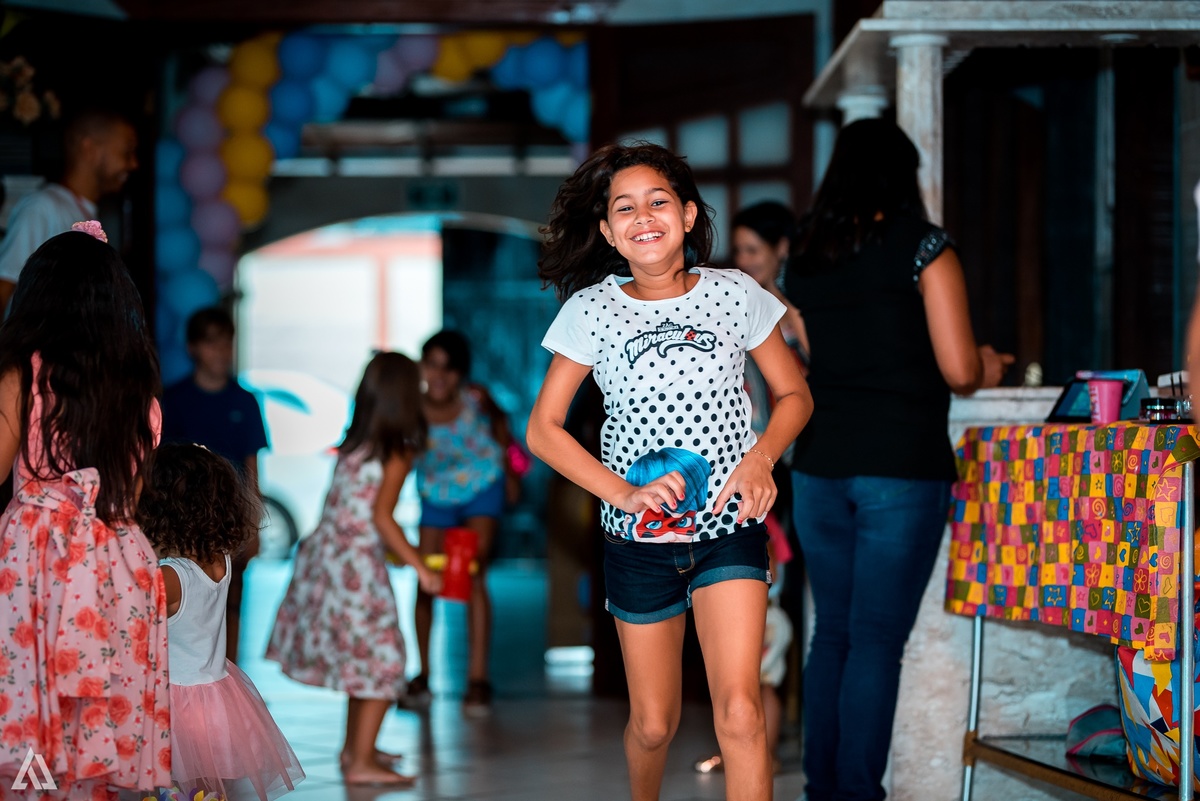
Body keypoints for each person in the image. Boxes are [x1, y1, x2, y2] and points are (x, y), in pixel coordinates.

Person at [526, 142, 813, 801]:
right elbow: (542, 430)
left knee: (740, 710)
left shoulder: (737, 294)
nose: (643, 216)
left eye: (658, 201)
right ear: (607, 231)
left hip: (728, 527)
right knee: (654, 724)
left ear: (687, 215)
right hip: (638, 540)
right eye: (624, 207)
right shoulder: (591, 311)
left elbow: (795, 395)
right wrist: (623, 491)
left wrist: (761, 456)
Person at [780, 118, 1014, 801]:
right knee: (877, 640)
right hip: (901, 465)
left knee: (833, 637)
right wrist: (994, 363)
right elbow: (960, 367)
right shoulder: (925, 248)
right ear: (904, 176)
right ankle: (856, 794)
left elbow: (815, 356)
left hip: (819, 464)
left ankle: (822, 790)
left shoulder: (806, 250)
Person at [0, 225, 170, 800]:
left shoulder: (19, 376)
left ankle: (35, 788)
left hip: (37, 560)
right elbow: (132, 495)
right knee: (95, 719)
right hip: (118, 563)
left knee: (35, 709)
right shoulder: (138, 391)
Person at [266, 351, 442, 788]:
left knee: (358, 658)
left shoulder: (355, 442)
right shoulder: (397, 451)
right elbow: (382, 517)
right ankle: (361, 759)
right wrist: (421, 565)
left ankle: (355, 748)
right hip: (354, 567)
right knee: (385, 659)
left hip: (327, 560)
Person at [137, 442, 305, 801]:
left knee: (169, 792)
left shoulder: (169, 576)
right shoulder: (220, 559)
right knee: (204, 792)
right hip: (213, 698)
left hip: (174, 707)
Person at [406, 329, 518, 717]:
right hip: (435, 493)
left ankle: (477, 679)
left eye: (449, 369)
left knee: (472, 570)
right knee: (425, 575)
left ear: (461, 374)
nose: (440, 376)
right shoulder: (410, 407)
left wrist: (511, 475)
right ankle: (422, 674)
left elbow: (503, 425)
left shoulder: (476, 400)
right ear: (423, 366)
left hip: (480, 485)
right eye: (433, 365)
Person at [161, 306, 269, 665]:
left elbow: (252, 469)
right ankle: (186, 676)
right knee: (184, 599)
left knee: (232, 597)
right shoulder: (173, 401)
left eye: (226, 342)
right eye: (212, 343)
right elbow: (160, 469)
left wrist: (254, 526)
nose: (221, 351)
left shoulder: (245, 401)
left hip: (231, 517)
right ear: (192, 348)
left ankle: (229, 672)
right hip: (181, 520)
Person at [0, 108, 139, 310]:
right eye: (126, 153)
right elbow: (4, 289)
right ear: (89, 149)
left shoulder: (86, 212)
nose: (134, 164)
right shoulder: (43, 207)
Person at [731, 200, 810, 370]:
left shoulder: (799, 302)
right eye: (738, 251)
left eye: (752, 250)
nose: (742, 261)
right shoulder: (739, 303)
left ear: (782, 246)